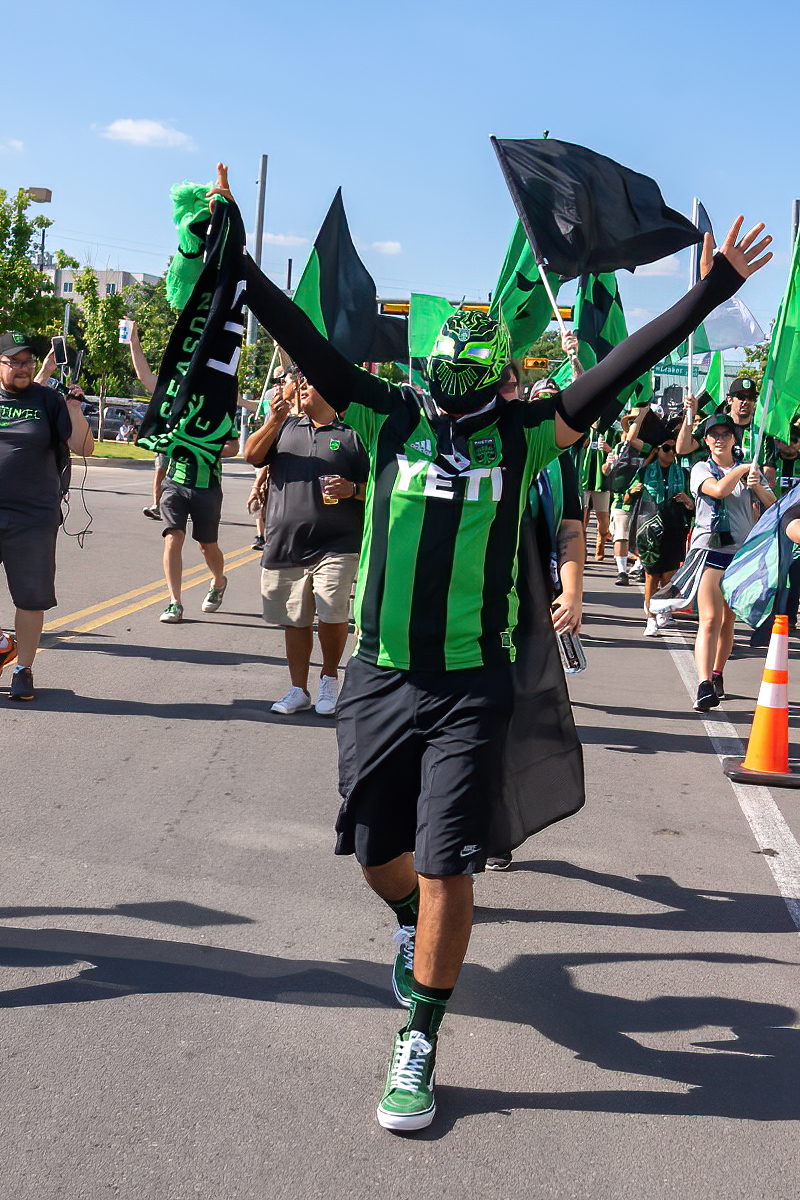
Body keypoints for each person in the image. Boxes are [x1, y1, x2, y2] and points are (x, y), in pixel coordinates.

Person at [217, 155, 770, 1130]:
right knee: (374, 850)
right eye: (453, 358)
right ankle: (406, 926)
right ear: (429, 365)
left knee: (443, 864)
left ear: (496, 370)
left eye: (479, 360)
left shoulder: (522, 436)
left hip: (471, 684)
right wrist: (241, 264)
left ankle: (419, 1034)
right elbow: (301, 337)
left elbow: (620, 366)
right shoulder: (384, 421)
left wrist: (709, 295)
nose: (463, 372)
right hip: (381, 678)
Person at [485, 358, 585, 872]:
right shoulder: (445, 440)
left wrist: (571, 592)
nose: (505, 392)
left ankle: (496, 827)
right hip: (461, 608)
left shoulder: (548, 450)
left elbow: (569, 526)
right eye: (496, 383)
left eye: (511, 383)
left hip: (525, 607)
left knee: (514, 714)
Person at [244, 373, 368, 716]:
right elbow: (252, 455)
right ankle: (298, 689)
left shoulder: (351, 435)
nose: (300, 387)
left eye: (309, 383)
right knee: (295, 618)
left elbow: (372, 484)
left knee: (331, 608)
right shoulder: (285, 427)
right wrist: (275, 419)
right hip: (287, 542)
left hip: (337, 543)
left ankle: (329, 679)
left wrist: (352, 490)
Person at [0, 331, 94, 700]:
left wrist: (74, 409)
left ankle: (23, 670)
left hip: (33, 516)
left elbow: (83, 446)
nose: (22, 368)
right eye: (14, 362)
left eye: (27, 362)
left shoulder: (48, 400)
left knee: (30, 597)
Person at [680, 414, 775, 710]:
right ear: (706, 440)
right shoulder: (700, 469)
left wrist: (757, 483)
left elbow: (775, 507)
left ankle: (718, 673)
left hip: (740, 554)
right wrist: (743, 469)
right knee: (709, 618)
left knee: (728, 621)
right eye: (714, 435)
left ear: (734, 438)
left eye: (725, 434)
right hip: (709, 551)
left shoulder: (748, 473)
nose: (720, 439)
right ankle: (704, 684)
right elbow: (718, 490)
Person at [627, 439, 693, 636]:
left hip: (674, 526)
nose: (671, 452)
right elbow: (626, 498)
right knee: (651, 574)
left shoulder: (683, 473)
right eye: (666, 448)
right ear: (657, 450)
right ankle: (650, 617)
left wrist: (687, 500)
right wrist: (632, 491)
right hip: (649, 527)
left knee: (669, 574)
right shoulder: (644, 472)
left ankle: (663, 607)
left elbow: (692, 505)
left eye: (674, 449)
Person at [126, 322, 166, 521]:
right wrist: (134, 340)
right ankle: (157, 505)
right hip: (166, 440)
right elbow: (144, 376)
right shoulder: (167, 387)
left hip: (188, 445)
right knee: (160, 470)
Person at [676, 376, 761, 462]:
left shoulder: (761, 430)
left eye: (751, 397)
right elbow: (683, 448)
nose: (746, 401)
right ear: (729, 400)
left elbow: (769, 467)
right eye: (741, 397)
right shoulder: (713, 422)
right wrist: (690, 415)